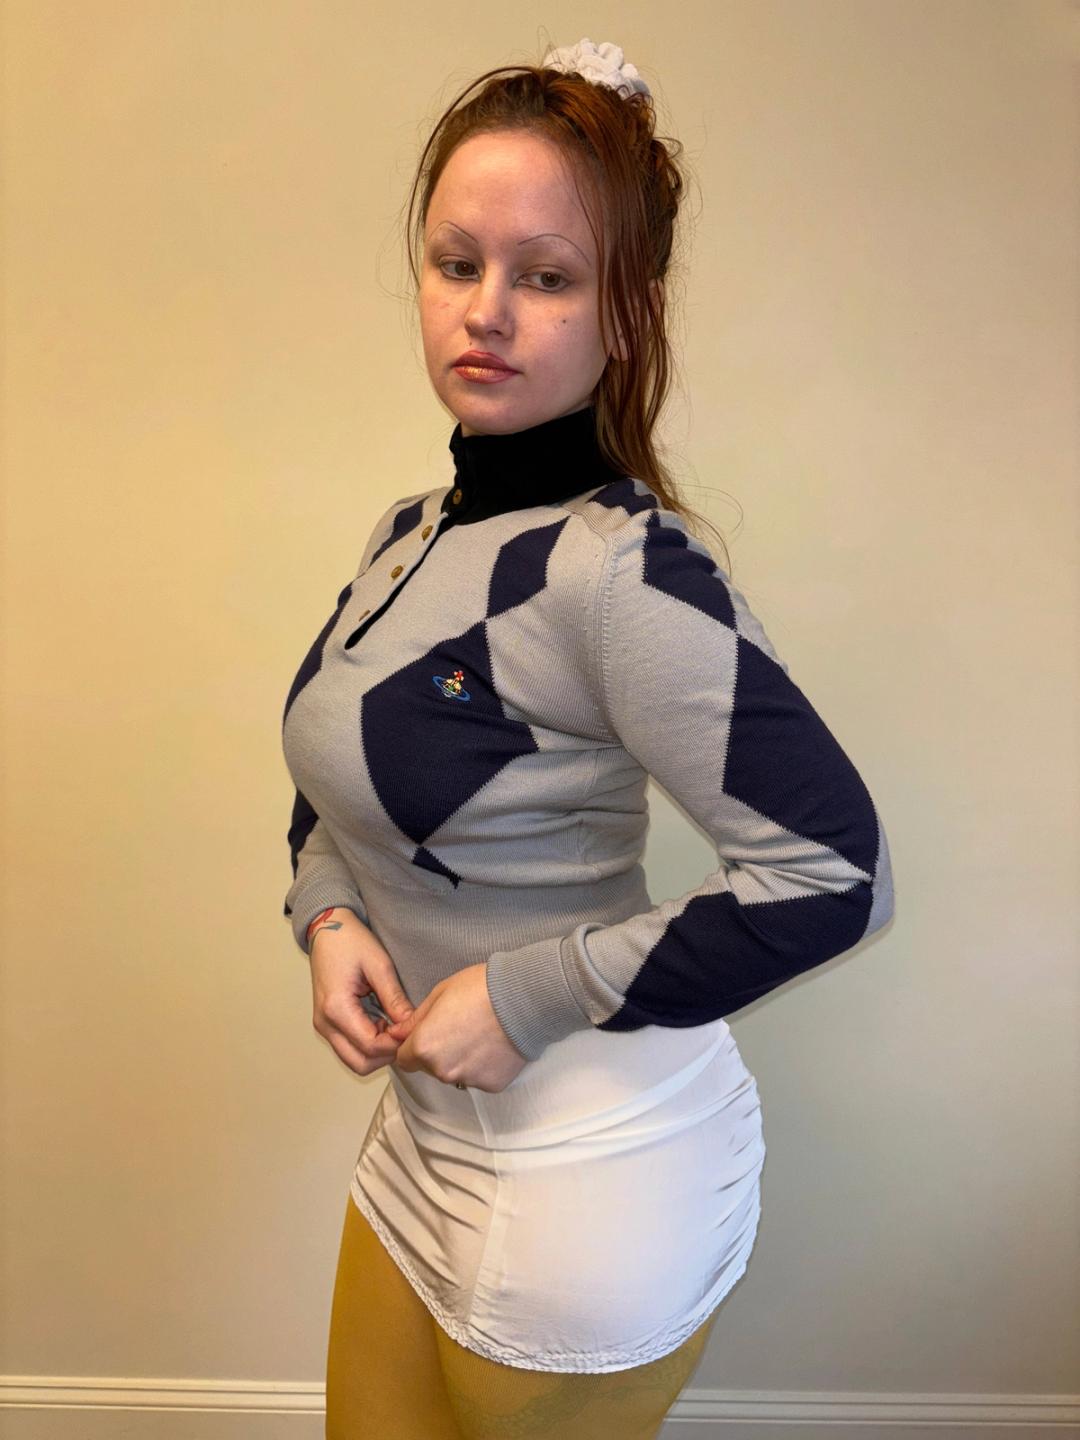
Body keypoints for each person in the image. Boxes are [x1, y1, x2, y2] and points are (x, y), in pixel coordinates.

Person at [280, 37, 895, 1440]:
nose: (486, 310)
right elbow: (335, 782)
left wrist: (525, 996)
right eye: (456, 263)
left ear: (628, 311)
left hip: (598, 1170)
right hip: (423, 1147)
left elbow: (836, 876)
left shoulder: (626, 572)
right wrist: (327, 913)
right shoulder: (407, 534)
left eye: (547, 276)